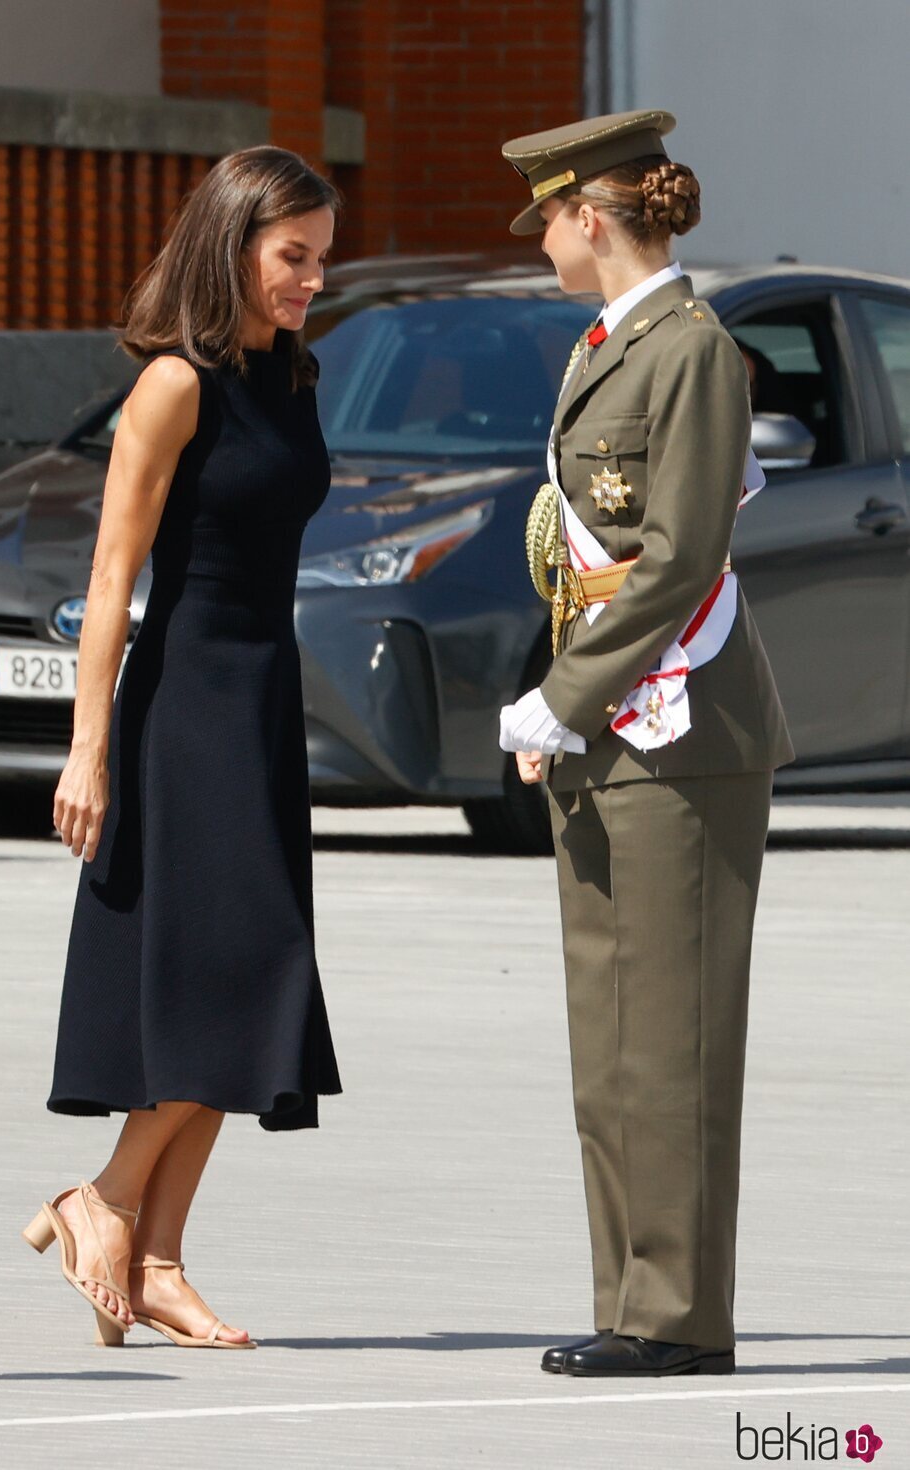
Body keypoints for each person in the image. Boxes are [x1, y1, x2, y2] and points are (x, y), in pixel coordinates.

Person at [22, 146, 342, 1349]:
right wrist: (87, 748)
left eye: (320, 255)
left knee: (249, 981)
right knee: (240, 974)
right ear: (232, 246)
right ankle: (101, 1202)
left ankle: (153, 1255)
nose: (312, 277)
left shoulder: (293, 377)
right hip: (184, 714)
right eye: (291, 256)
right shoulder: (174, 383)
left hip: (262, 701)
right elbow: (109, 581)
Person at [498, 110, 794, 1378]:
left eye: (547, 220)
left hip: (680, 731)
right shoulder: (604, 350)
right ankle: (629, 1299)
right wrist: (564, 705)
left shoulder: (691, 350)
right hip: (609, 730)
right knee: (608, 1036)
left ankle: (676, 1317)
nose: (542, 242)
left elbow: (677, 558)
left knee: (667, 1036)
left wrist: (563, 695)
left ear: (590, 217)